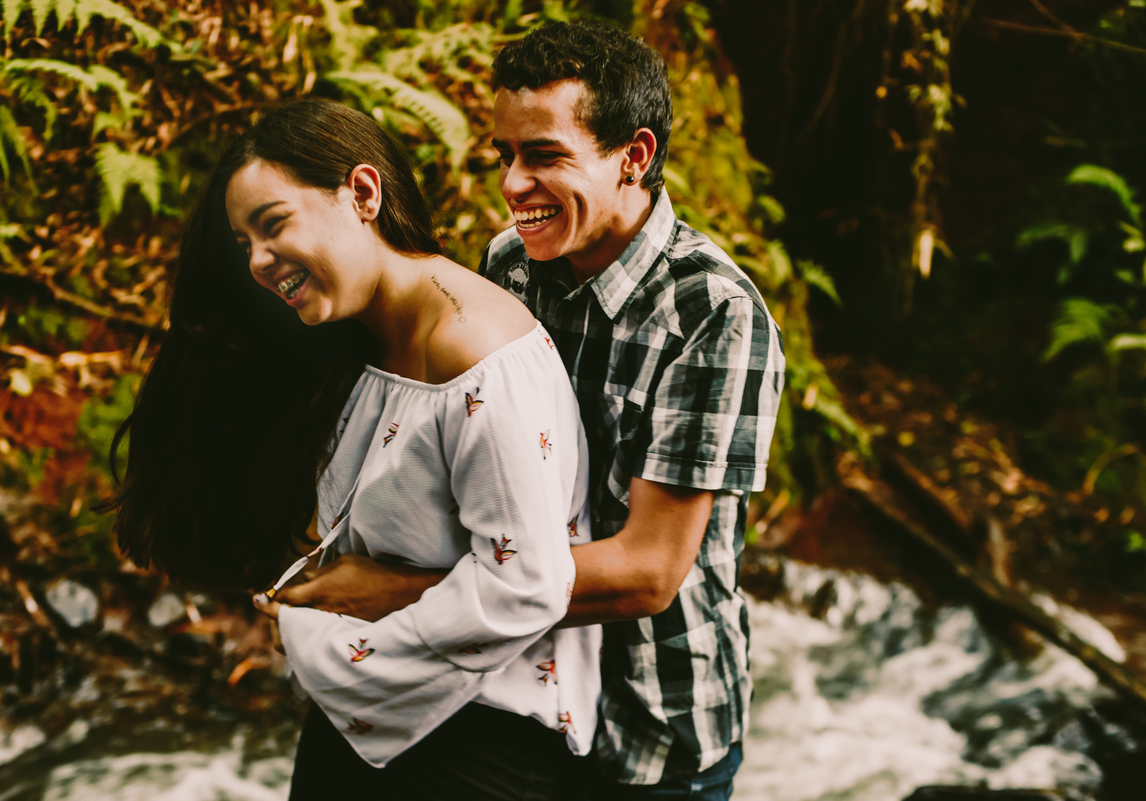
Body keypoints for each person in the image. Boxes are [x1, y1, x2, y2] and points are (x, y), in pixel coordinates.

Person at [277, 21, 787, 800]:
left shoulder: (713, 313)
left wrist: (397, 588)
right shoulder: (508, 263)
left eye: (544, 156)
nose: (514, 185)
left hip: (655, 730)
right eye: (504, 155)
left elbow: (649, 571)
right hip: (518, 709)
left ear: (635, 157)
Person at [105, 98, 601, 800]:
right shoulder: (364, 340)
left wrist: (341, 640)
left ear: (363, 193)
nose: (258, 260)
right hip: (374, 721)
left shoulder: (475, 349)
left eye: (272, 225)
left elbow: (528, 581)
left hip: (476, 741)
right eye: (244, 243)